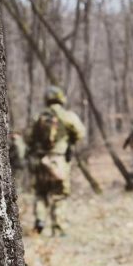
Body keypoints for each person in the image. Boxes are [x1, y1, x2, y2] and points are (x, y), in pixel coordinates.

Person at [27, 86, 86, 236]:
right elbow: (80, 133)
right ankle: (58, 228)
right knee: (59, 194)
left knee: (41, 193)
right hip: (59, 161)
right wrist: (68, 140)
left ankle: (40, 220)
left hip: (41, 161)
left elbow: (28, 137)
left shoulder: (38, 117)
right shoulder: (68, 116)